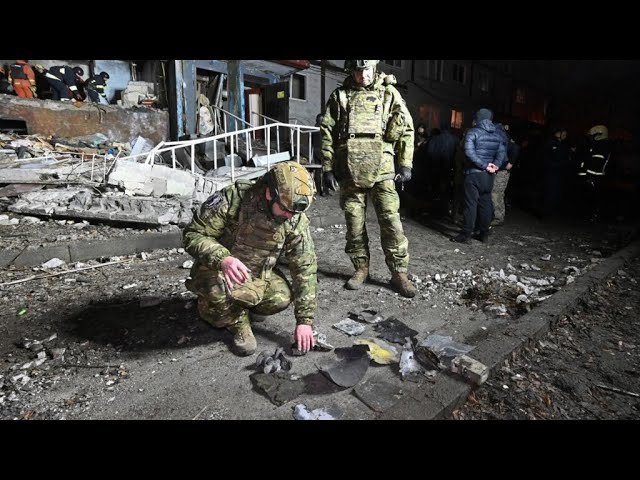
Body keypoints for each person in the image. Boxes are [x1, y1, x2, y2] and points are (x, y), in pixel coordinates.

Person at [183, 161, 318, 356]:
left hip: (257, 271)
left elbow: (305, 266)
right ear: (270, 193)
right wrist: (223, 258)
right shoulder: (233, 198)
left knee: (281, 297)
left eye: (294, 212)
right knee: (216, 295)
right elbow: (193, 235)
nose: (289, 216)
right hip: (219, 269)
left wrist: (305, 321)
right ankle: (237, 321)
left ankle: (244, 303)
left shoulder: (294, 218)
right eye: (286, 209)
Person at [320, 59, 417, 298]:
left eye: (365, 69)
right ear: (350, 71)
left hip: (383, 167)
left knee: (391, 222)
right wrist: (327, 167)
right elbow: (327, 132)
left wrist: (405, 164)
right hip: (349, 167)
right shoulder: (340, 96)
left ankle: (399, 273)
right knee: (354, 224)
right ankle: (361, 268)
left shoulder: (388, 93)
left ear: (374, 68)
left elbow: (406, 128)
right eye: (357, 70)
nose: (362, 75)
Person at [452, 108, 506, 243]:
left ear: (478, 118)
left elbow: (469, 153)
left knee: (470, 204)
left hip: (474, 174)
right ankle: (484, 233)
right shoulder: (497, 135)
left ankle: (466, 235)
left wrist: (483, 165)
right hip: (489, 176)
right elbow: (502, 154)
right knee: (485, 204)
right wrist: (495, 165)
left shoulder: (472, 132)